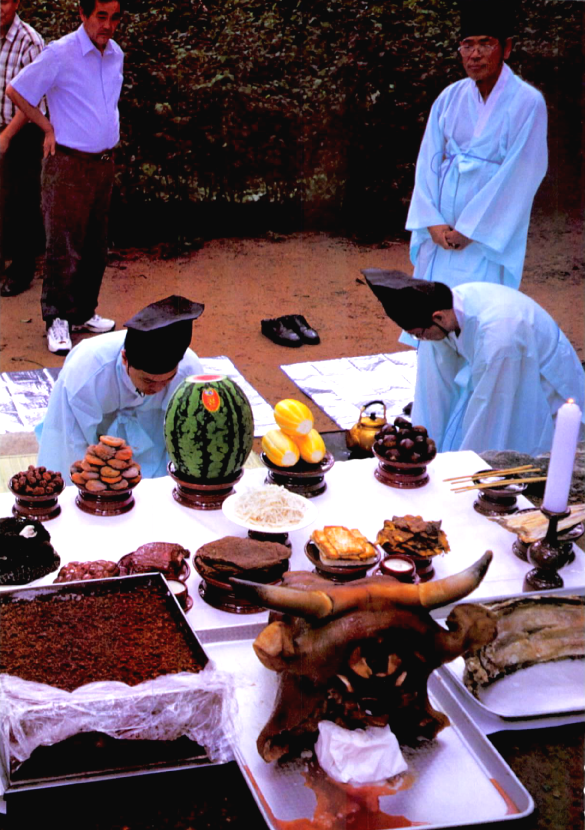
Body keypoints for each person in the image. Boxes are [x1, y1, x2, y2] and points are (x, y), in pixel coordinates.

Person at [6, 0, 124, 354]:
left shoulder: (115, 54)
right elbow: (17, 90)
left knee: (94, 245)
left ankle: (82, 312)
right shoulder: (60, 52)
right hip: (67, 163)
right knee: (63, 245)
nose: (107, 25)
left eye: (114, 18)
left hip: (103, 163)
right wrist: (47, 128)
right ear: (83, 15)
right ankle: (56, 319)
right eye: (100, 16)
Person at [405, 1, 547, 292]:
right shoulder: (449, 97)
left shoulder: (527, 102)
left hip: (486, 235)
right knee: (433, 311)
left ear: (506, 48)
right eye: (467, 45)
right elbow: (427, 160)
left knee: (476, 311)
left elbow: (522, 174)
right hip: (441, 228)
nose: (475, 55)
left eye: (486, 44)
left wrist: (470, 229)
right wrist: (431, 222)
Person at [364, 269, 585, 456]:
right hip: (501, 365)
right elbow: (433, 387)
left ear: (438, 317)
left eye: (419, 334)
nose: (421, 340)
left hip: (540, 377)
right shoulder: (446, 310)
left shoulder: (499, 338)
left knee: (513, 440)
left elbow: (490, 410)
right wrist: (425, 444)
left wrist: (466, 465)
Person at [35, 296, 205, 479]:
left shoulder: (189, 372)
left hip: (155, 437)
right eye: (148, 381)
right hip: (94, 439)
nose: (157, 389)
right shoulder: (86, 372)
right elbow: (70, 444)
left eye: (167, 380)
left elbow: (188, 438)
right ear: (125, 359)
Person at [0, 0, 44, 297]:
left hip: (22, 131)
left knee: (21, 203)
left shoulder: (30, 42)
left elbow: (35, 97)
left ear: (16, 2)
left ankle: (21, 271)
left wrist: (6, 136)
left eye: (3, 1)